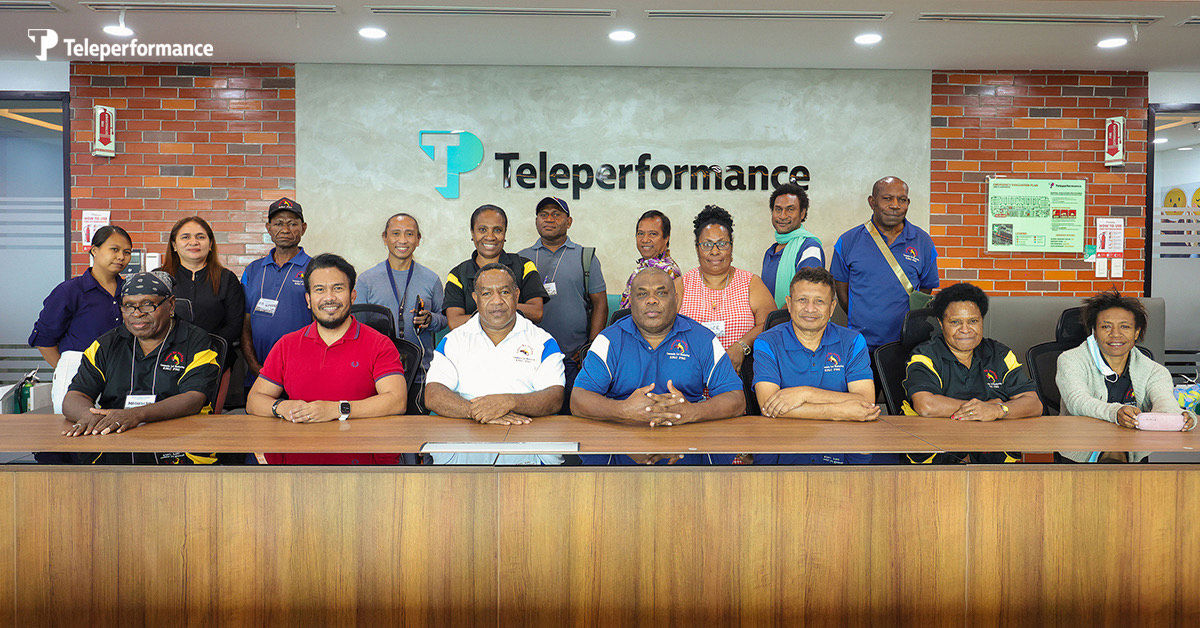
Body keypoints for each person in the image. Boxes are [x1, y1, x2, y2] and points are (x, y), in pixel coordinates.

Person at [247, 254, 408, 465]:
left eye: (338, 288)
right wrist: (281, 408)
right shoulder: (287, 344)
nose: (329, 297)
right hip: (298, 461)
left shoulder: (379, 344)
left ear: (353, 296)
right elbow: (254, 400)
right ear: (308, 299)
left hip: (362, 464)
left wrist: (336, 410)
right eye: (319, 290)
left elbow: (397, 401)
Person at [572, 267, 745, 464]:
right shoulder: (609, 340)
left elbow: (736, 399)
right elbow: (579, 399)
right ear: (632, 301)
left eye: (661, 293)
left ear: (676, 299)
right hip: (622, 455)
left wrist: (691, 412)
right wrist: (624, 410)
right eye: (642, 294)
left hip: (688, 455)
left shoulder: (702, 339)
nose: (652, 300)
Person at [61, 271, 222, 463]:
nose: (137, 313)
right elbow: (75, 396)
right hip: (117, 439)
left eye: (148, 304)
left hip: (182, 442)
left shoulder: (196, 341)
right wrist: (88, 416)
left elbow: (194, 398)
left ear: (170, 305)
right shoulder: (106, 344)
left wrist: (136, 415)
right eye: (128, 306)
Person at [425, 263, 565, 464]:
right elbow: (433, 393)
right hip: (464, 447)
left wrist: (510, 402)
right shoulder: (454, 341)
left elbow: (554, 397)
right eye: (487, 294)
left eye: (504, 292)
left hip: (526, 448)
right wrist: (477, 412)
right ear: (476, 299)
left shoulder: (543, 342)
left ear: (516, 295)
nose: (497, 301)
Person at [752, 267, 882, 464]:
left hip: (841, 447)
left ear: (832, 307)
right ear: (789, 304)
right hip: (782, 449)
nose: (810, 309)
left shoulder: (853, 341)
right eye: (802, 300)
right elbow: (768, 406)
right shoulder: (767, 342)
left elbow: (865, 402)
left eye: (819, 301)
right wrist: (839, 412)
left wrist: (805, 393)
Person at [903, 282, 1042, 463]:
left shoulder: (1000, 354)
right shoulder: (925, 356)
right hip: (937, 455)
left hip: (993, 453)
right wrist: (982, 409)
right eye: (955, 322)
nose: (965, 329)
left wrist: (998, 410)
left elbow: (1034, 404)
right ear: (941, 323)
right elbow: (926, 405)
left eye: (973, 321)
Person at [1057, 291, 1196, 462]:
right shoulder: (1070, 360)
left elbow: (1164, 403)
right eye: (1106, 326)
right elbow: (1077, 401)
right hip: (1081, 450)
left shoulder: (1154, 371)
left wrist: (1179, 417)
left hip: (1134, 451)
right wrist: (1116, 413)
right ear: (1094, 331)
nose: (1115, 334)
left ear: (1137, 332)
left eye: (1125, 327)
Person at [29, 225, 132, 414]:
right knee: (75, 432)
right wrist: (67, 369)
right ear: (94, 250)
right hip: (77, 371)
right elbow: (44, 339)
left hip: (121, 374)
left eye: (127, 252)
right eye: (114, 249)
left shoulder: (129, 291)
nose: (121, 257)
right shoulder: (70, 291)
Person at [519, 196, 608, 412]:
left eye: (556, 214)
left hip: (573, 358)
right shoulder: (521, 258)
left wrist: (591, 348)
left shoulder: (585, 257)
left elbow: (600, 304)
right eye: (543, 214)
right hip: (531, 359)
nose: (549, 219)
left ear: (569, 222)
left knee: (573, 418)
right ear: (536, 221)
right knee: (536, 419)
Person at [831, 176, 940, 352]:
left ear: (908, 203)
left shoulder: (923, 241)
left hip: (907, 345)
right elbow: (841, 289)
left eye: (902, 200)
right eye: (887, 198)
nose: (895, 205)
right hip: (860, 345)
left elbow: (926, 289)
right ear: (872, 202)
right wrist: (862, 318)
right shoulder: (848, 241)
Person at [678, 205, 774, 373]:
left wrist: (741, 346)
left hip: (740, 378)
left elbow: (769, 325)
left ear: (731, 246)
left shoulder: (751, 283)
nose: (715, 251)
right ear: (697, 247)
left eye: (722, 244)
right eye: (707, 244)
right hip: (690, 380)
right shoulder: (681, 285)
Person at [355, 212, 446, 376]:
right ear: (385, 237)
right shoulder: (366, 280)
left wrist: (430, 319)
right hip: (376, 370)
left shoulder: (431, 279)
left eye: (409, 234)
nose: (403, 240)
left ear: (418, 239)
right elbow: (355, 325)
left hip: (421, 370)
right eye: (396, 233)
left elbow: (444, 319)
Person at [240, 197, 312, 389]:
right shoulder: (252, 270)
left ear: (303, 228)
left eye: (293, 224)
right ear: (268, 228)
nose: (286, 230)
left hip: (303, 374)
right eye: (279, 223)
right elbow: (245, 323)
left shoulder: (315, 268)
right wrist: (255, 367)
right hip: (258, 375)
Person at [444, 204, 548, 329]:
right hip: (473, 347)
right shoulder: (458, 274)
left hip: (518, 346)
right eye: (482, 229)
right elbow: (454, 322)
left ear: (505, 234)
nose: (490, 237)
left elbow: (536, 312)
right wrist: (501, 306)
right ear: (472, 233)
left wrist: (489, 307)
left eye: (497, 230)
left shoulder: (524, 266)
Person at [159, 216, 245, 351]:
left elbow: (234, 324)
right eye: (185, 237)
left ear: (210, 244)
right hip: (166, 357)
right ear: (174, 245)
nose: (193, 242)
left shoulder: (227, 279)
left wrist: (207, 348)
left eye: (200, 237)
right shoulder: (159, 278)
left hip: (214, 357)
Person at [762, 183, 824, 307]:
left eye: (790, 209)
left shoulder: (810, 247)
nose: (782, 215)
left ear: (802, 213)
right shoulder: (771, 251)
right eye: (778, 209)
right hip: (773, 325)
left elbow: (806, 293)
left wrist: (777, 320)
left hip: (796, 324)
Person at [619, 210, 684, 309]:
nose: (645, 240)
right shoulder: (645, 266)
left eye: (652, 234)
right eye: (640, 234)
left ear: (666, 238)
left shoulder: (667, 271)